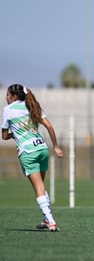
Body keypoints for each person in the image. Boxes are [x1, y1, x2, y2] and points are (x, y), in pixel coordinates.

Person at [2, 84, 64, 232]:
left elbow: (4, 136)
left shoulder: (8, 110)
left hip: (28, 152)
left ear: (14, 97)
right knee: (41, 186)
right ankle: (46, 218)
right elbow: (49, 127)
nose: (6, 97)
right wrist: (56, 146)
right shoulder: (33, 106)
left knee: (38, 188)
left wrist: (14, 134)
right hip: (42, 148)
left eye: (8, 95)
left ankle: (51, 221)